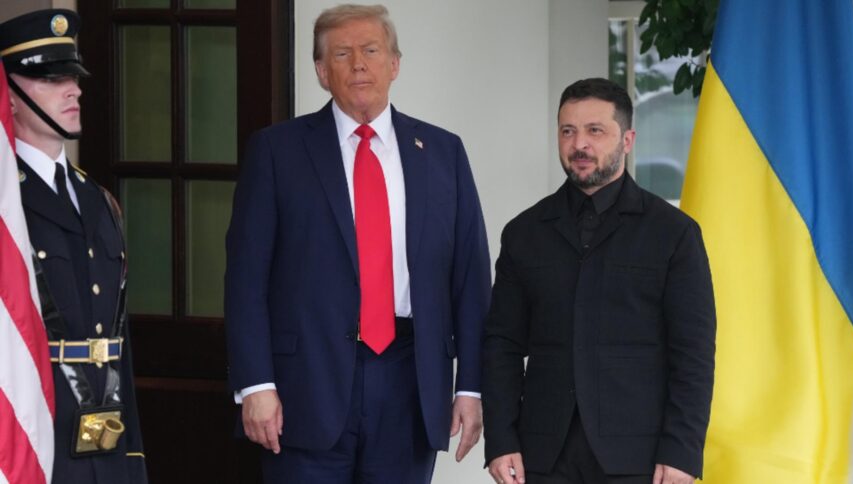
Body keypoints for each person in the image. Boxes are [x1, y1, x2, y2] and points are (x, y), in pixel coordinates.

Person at [224, 4, 491, 483]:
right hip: (304, 388)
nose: (359, 64)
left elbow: (471, 280)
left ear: (395, 64)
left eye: (371, 51)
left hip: (411, 382)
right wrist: (255, 383)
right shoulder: (277, 151)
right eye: (342, 54)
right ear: (322, 72)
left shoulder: (443, 152)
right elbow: (246, 278)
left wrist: (470, 387)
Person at [482, 78, 716, 484]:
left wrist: (682, 450)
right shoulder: (524, 233)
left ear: (627, 140)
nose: (579, 145)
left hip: (640, 458)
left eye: (595, 131)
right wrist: (501, 439)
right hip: (542, 455)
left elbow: (693, 351)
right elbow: (502, 344)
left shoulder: (673, 233)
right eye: (568, 131)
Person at [0, 9, 147, 484]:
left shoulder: (98, 200)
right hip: (34, 437)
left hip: (105, 438)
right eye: (52, 79)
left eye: (74, 77)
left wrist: (133, 460)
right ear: (10, 97)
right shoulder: (7, 208)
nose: (74, 90)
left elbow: (118, 343)